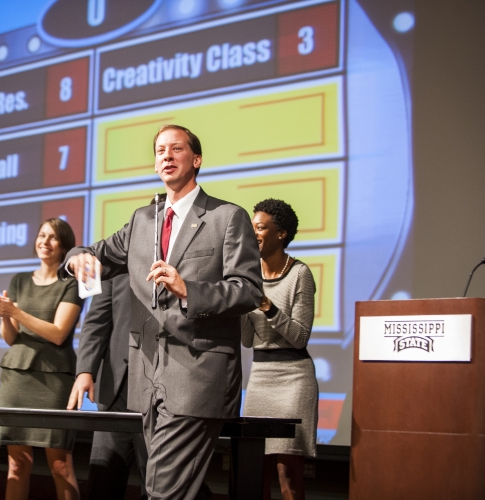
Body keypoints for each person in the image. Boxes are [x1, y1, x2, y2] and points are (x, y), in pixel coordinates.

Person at [62, 125, 262, 499]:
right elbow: (94, 252)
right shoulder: (143, 220)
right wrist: (77, 259)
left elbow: (248, 291)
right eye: (159, 151)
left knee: (162, 490)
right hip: (145, 381)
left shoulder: (226, 217)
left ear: (196, 160)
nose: (166, 156)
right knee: (170, 490)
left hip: (198, 377)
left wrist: (189, 289)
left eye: (176, 149)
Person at [67, 199, 165, 500]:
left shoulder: (182, 265)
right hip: (115, 391)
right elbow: (96, 323)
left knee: (158, 484)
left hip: (161, 394)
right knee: (103, 480)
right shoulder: (114, 266)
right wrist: (84, 371)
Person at [0, 218, 84, 500]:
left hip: (54, 379)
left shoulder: (72, 283)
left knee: (60, 464)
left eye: (53, 237)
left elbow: (57, 334)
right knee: (17, 464)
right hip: (16, 377)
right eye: (41, 235)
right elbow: (11, 338)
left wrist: (15, 312)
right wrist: (5, 315)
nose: (45, 241)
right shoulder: (18, 280)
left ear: (64, 245)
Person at [241, 199, 318, 500]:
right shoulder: (248, 275)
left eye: (260, 227)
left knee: (287, 472)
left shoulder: (300, 274)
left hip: (294, 380)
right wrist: (241, 308)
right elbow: (248, 340)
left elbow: (299, 337)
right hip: (260, 379)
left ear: (281, 234)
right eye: (251, 228)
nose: (253, 233)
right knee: (255, 469)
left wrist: (266, 305)